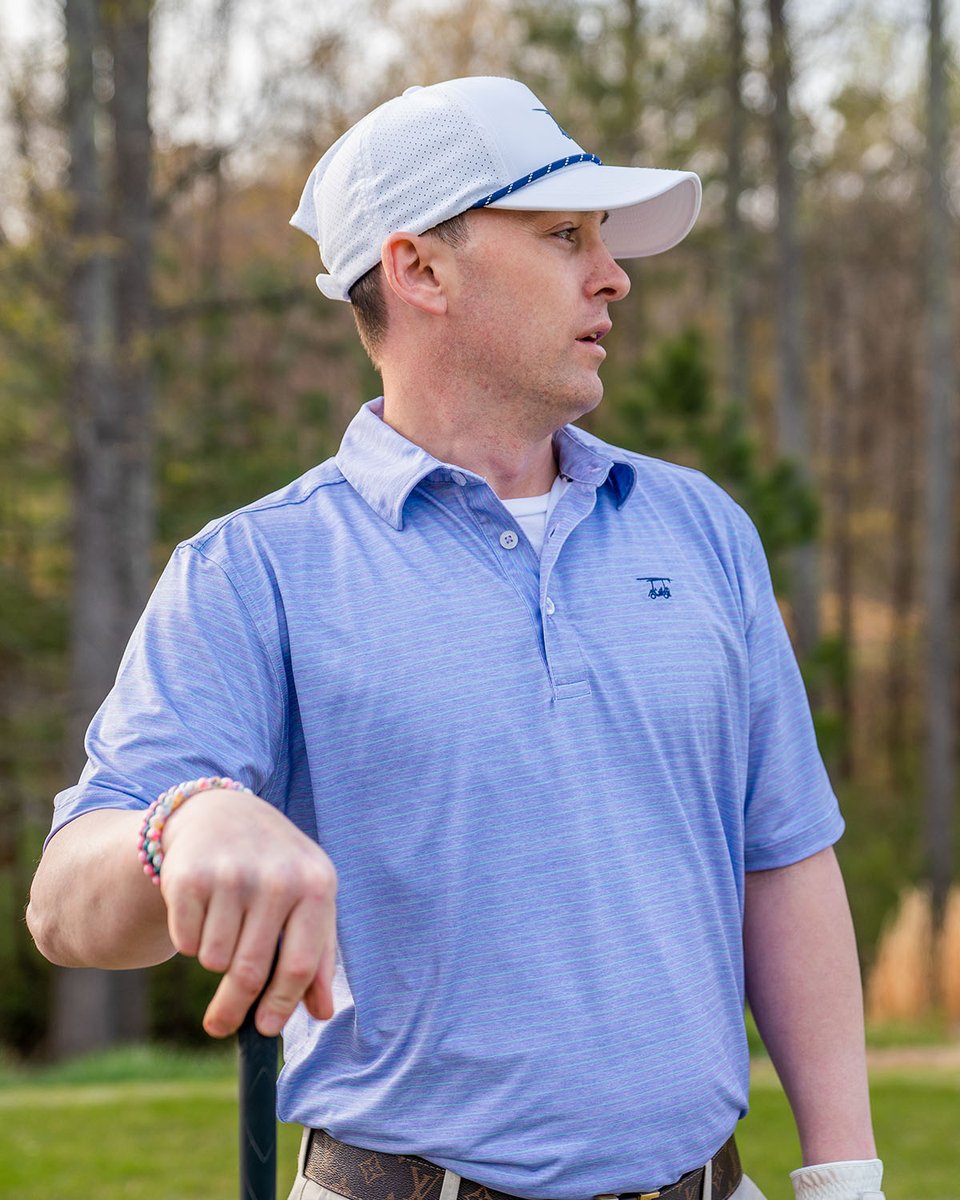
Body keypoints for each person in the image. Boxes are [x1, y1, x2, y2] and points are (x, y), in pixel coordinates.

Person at [28, 76, 885, 1200]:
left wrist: (844, 1177)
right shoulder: (254, 571)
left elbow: (783, 857)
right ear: (419, 269)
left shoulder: (703, 528)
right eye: (563, 236)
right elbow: (63, 905)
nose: (613, 274)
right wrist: (182, 820)